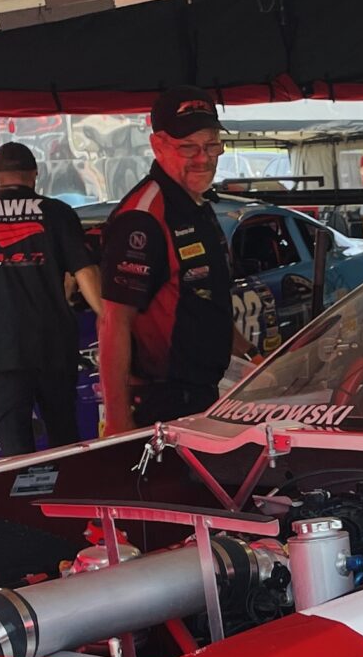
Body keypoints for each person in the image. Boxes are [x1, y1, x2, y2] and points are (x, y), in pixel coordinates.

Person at [97, 89, 261, 433]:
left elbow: (203, 303)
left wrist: (256, 359)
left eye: (212, 145)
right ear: (158, 145)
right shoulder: (143, 217)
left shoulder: (199, 206)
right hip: (158, 405)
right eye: (188, 147)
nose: (203, 159)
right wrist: (117, 422)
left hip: (203, 395)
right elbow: (113, 322)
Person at [0, 140, 98, 455]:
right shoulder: (56, 213)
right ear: (35, 174)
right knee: (62, 432)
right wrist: (107, 315)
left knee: (13, 438)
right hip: (53, 344)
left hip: (2, 346)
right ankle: (66, 485)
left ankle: (20, 485)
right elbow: (85, 270)